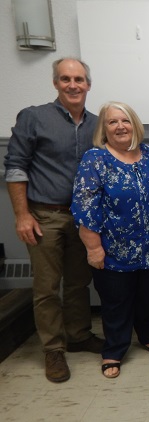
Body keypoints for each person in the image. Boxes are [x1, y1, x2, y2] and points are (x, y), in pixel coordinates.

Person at [4, 57, 104, 383]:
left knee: (78, 281)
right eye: (65, 79)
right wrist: (21, 215)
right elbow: (16, 168)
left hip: (83, 217)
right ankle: (53, 349)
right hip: (44, 215)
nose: (72, 85)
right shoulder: (34, 118)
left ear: (88, 84)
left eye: (78, 79)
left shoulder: (97, 124)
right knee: (47, 287)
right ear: (56, 83)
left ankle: (78, 335)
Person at [71, 101, 149, 379]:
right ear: (104, 128)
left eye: (125, 121)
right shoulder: (95, 159)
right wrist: (93, 248)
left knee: (148, 296)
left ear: (134, 124)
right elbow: (84, 207)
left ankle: (147, 333)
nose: (120, 126)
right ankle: (114, 348)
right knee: (116, 302)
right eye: (112, 122)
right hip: (113, 250)